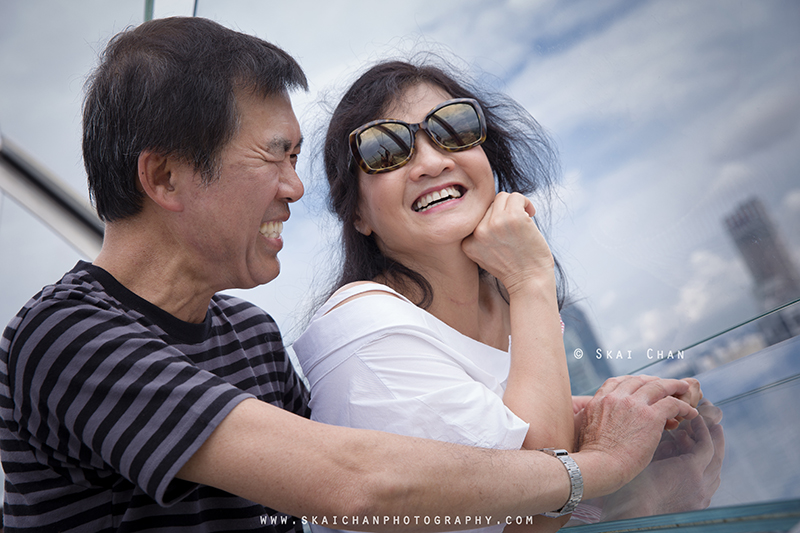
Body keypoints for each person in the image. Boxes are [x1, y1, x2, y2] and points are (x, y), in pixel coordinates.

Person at [0, 17, 700, 533]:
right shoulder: (67, 335)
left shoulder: (246, 334)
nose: (295, 190)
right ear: (166, 175)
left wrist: (594, 414)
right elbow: (355, 481)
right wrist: (605, 463)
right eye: (274, 157)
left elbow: (404, 462)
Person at [293, 59, 719, 532]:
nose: (432, 162)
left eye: (453, 127)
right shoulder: (364, 332)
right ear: (357, 215)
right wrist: (532, 280)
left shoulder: (505, 301)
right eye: (385, 149)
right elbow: (536, 501)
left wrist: (639, 428)